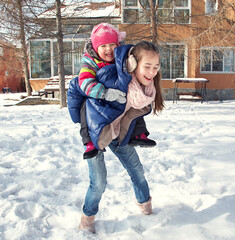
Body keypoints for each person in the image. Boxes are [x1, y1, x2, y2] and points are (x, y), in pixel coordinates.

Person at [68, 41, 165, 234]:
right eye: (147, 66)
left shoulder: (146, 89)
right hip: (97, 134)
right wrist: (78, 117)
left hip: (119, 134)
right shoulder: (109, 76)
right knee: (99, 182)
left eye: (156, 67)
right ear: (132, 64)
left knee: (137, 170)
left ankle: (147, 210)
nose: (152, 72)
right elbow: (75, 86)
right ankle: (87, 220)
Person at [75, 23, 156, 159]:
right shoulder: (90, 63)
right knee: (86, 107)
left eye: (112, 44)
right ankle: (89, 141)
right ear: (96, 48)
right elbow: (85, 82)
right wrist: (104, 93)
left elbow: (130, 68)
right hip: (98, 100)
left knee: (135, 100)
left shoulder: (121, 58)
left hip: (120, 98)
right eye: (103, 46)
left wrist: (131, 65)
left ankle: (138, 133)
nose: (109, 49)